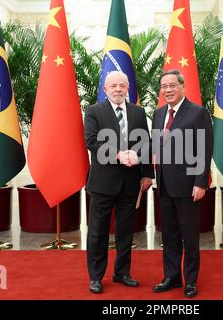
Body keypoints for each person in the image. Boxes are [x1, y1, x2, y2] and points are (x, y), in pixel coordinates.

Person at [84, 71, 153, 294]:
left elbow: (145, 143)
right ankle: (96, 276)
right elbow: (91, 141)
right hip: (103, 183)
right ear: (105, 90)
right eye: (113, 86)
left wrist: (147, 174)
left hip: (131, 183)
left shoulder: (138, 112)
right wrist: (117, 155)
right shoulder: (94, 111)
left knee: (126, 232)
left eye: (122, 86)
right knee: (97, 232)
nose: (118, 90)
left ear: (127, 89)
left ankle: (122, 272)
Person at [151, 69, 213, 298]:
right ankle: (172, 277)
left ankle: (191, 281)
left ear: (182, 87)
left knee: (189, 236)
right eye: (164, 86)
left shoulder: (197, 113)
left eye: (172, 85)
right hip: (165, 185)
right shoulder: (158, 114)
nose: (167, 90)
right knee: (169, 236)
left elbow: (204, 150)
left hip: (188, 186)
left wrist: (200, 183)